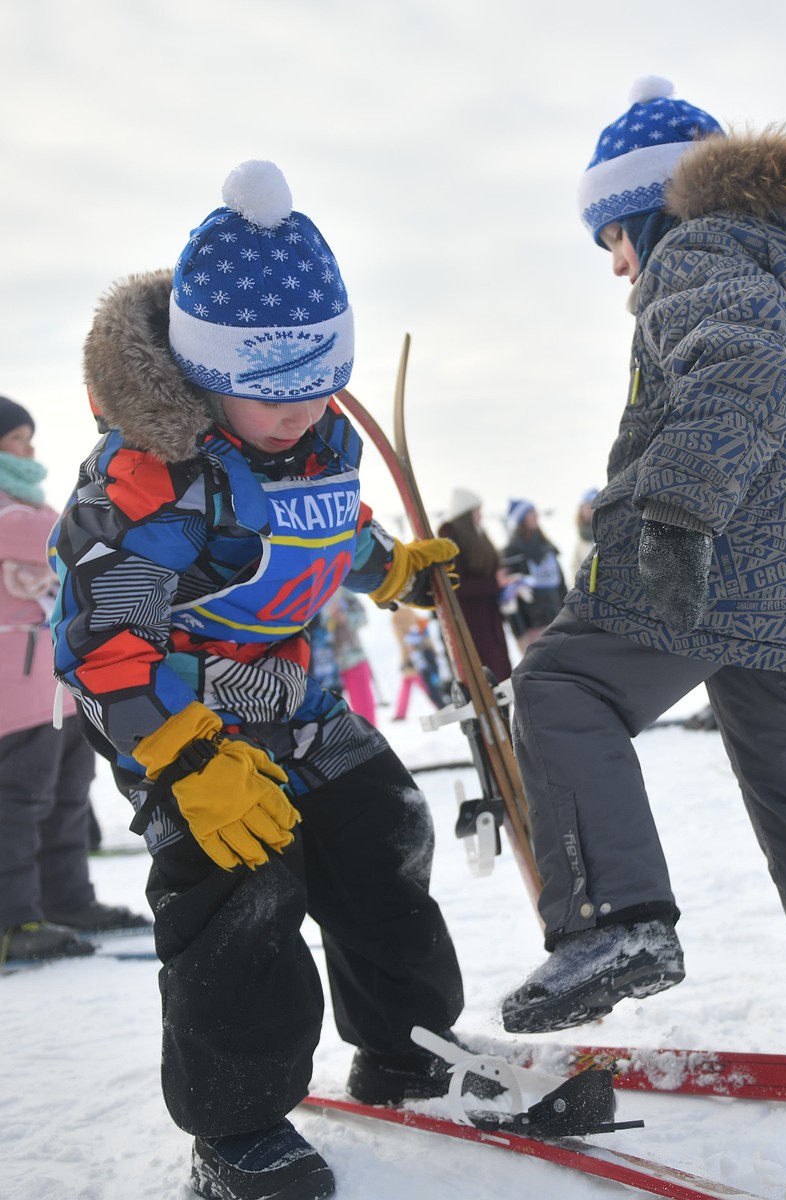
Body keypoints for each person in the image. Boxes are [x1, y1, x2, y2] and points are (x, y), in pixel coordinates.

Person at [50, 161, 468, 1200]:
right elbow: (101, 640)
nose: (297, 412)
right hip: (182, 719)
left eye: (317, 383)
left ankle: (407, 1050)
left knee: (384, 836)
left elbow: (318, 524)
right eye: (267, 393)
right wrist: (184, 758)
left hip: (296, 701)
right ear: (200, 371)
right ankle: (236, 1129)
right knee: (239, 886)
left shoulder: (315, 436)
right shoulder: (148, 479)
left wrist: (390, 570)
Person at [500, 77, 786, 1058]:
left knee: (562, 683)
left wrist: (674, 513)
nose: (618, 268)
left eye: (613, 238)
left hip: (720, 557)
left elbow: (743, 371)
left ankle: (613, 922)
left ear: (651, 209)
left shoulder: (702, 251)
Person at [0, 394, 150, 964]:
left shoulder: (22, 506)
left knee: (66, 797)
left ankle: (64, 899)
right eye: (18, 439)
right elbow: (64, 534)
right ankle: (11, 918)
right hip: (13, 693)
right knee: (17, 802)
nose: (30, 450)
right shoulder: (14, 515)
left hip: (55, 687)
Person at [437, 488, 514, 681]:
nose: (480, 515)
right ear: (466, 514)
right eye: (477, 511)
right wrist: (493, 583)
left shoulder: (476, 534)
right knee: (488, 678)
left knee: (501, 676)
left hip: (489, 618)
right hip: (472, 624)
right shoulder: (451, 538)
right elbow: (455, 586)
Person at [502, 498, 568, 652]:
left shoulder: (547, 547)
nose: (535, 516)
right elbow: (511, 596)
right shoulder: (511, 552)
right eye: (530, 513)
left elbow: (561, 584)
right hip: (532, 625)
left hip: (557, 614)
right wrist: (520, 632)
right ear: (521, 519)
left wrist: (569, 613)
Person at [328, 589, 376, 725]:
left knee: (365, 713)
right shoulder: (306, 590)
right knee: (331, 719)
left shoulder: (342, 590)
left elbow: (363, 617)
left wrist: (345, 617)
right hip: (324, 667)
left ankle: (372, 744)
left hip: (353, 659)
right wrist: (326, 619)